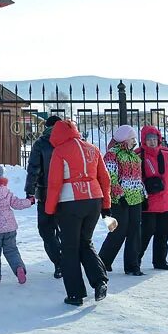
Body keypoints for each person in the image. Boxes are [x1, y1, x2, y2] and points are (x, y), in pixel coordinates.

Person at [44, 118, 111, 306]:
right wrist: (106, 204)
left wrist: (49, 211)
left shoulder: (60, 151)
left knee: (69, 249)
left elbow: (54, 184)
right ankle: (99, 281)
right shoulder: (92, 148)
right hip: (94, 200)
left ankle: (75, 294)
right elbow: (104, 179)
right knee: (85, 242)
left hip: (70, 202)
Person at [137, 124, 168, 271]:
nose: (151, 142)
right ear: (143, 140)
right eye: (148, 139)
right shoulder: (138, 155)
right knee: (146, 233)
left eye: (154, 138)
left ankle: (160, 261)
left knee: (162, 233)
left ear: (159, 139)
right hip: (147, 202)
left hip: (166, 201)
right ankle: (135, 260)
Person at [99, 125, 147, 276]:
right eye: (132, 138)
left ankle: (132, 266)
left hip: (136, 199)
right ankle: (103, 262)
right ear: (124, 139)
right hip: (120, 201)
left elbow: (138, 178)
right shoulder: (112, 155)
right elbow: (110, 178)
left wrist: (143, 195)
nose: (135, 142)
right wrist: (119, 195)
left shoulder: (134, 156)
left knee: (135, 232)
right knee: (118, 231)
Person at [26, 115, 63, 278]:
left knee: (47, 230)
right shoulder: (69, 141)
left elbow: (34, 168)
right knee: (67, 229)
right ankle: (69, 261)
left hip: (46, 193)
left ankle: (59, 263)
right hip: (68, 193)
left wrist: (30, 191)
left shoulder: (41, 143)